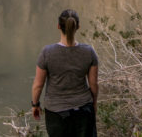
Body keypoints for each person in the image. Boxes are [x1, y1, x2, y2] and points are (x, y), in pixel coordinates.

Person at [31, 9, 98, 137]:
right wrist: (94, 104)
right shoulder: (89, 52)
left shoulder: (47, 52)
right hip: (84, 111)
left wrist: (35, 104)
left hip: (57, 114)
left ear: (58, 26)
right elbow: (93, 84)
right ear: (77, 27)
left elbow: (38, 85)